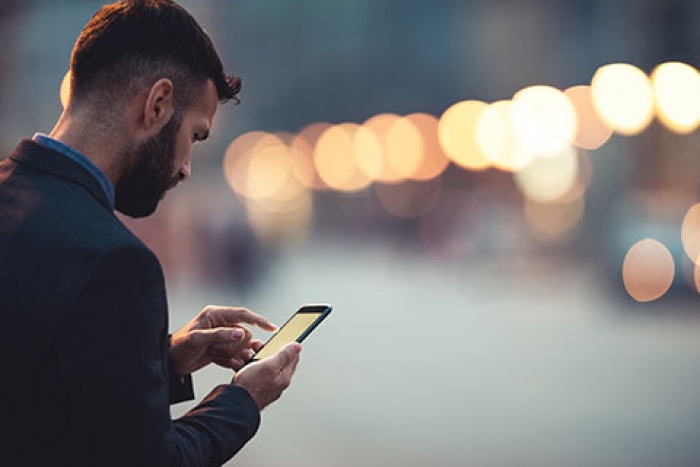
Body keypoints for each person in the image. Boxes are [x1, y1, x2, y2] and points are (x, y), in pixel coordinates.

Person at [0, 0, 302, 465]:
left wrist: (165, 361)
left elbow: (34, 391)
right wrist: (243, 401)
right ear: (157, 105)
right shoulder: (115, 262)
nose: (185, 168)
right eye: (195, 138)